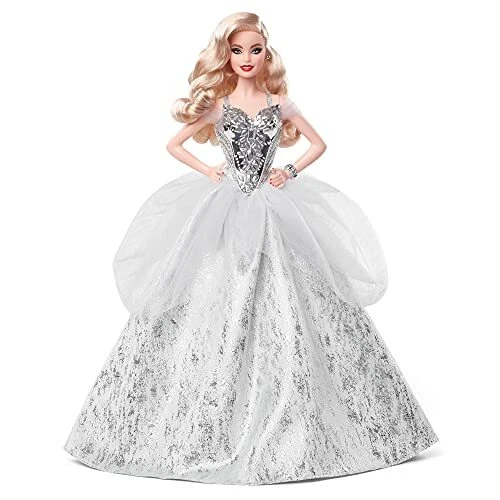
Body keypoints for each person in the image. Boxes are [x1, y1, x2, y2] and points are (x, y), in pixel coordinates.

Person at [63, 12, 438, 485]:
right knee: (206, 286)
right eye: (237, 50)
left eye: (255, 50)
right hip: (225, 205)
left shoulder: (279, 104)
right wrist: (209, 171)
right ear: (225, 55)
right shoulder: (219, 106)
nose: (246, 58)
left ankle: (307, 417)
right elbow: (175, 145)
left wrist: (289, 171)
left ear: (266, 54)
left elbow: (318, 144)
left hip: (272, 204)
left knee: (295, 293)